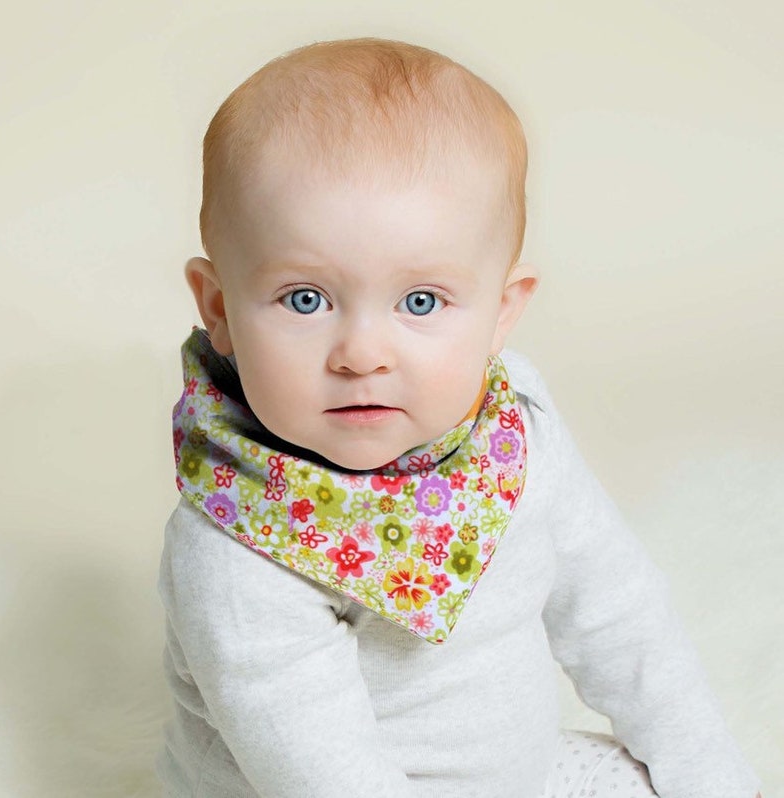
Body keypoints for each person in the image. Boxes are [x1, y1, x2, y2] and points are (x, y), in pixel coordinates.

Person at [158, 38, 760, 797]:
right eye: (305, 299)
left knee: (641, 779)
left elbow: (615, 610)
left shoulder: (513, 435)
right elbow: (318, 769)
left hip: (518, 771)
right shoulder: (238, 536)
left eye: (421, 302)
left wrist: (704, 769)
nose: (362, 354)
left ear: (503, 311)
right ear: (219, 308)